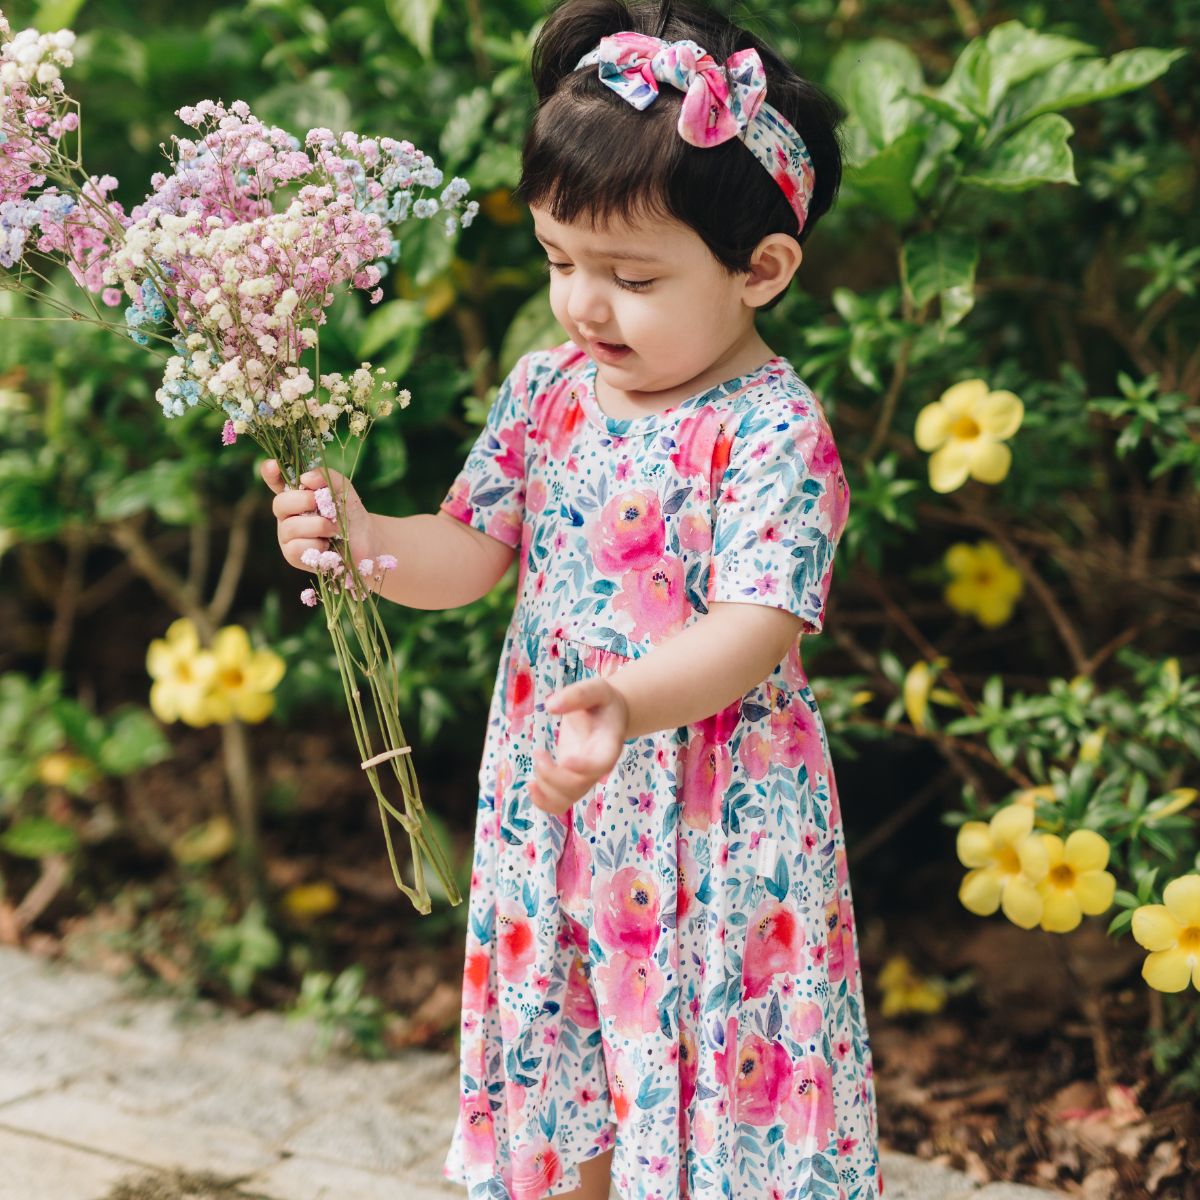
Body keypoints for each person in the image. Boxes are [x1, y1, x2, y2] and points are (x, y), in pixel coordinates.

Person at [263, 0, 879, 1195]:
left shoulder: (771, 431)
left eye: (631, 276)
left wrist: (625, 702)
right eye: (559, 261)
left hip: (713, 814)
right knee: (569, 1056)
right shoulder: (548, 390)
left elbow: (754, 625)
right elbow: (471, 547)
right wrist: (365, 539)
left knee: (700, 1068)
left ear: (760, 269)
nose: (583, 305)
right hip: (558, 797)